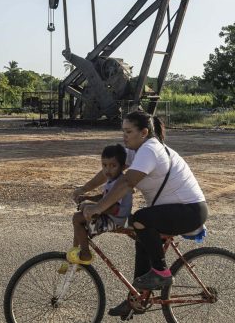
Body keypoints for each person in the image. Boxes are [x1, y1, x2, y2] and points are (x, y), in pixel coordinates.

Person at [73, 110, 208, 318]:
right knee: (141, 237)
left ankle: (162, 272)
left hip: (189, 211)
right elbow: (111, 171)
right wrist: (84, 189)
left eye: (128, 131)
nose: (124, 136)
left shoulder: (150, 150)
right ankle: (136, 298)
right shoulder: (137, 150)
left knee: (140, 219)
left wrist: (98, 208)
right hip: (177, 210)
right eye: (123, 131)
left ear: (144, 132)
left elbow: (127, 182)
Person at [61, 144, 134, 273]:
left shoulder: (121, 182)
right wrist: (87, 198)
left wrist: (93, 207)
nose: (108, 170)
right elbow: (104, 198)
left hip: (117, 220)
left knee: (78, 218)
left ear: (123, 167)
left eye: (113, 165)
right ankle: (76, 252)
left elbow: (115, 208)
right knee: (80, 218)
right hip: (111, 216)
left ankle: (85, 254)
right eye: (104, 165)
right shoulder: (112, 180)